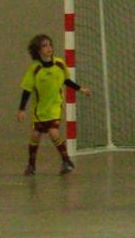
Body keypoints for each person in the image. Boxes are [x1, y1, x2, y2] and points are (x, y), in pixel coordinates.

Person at [17, 34, 90, 175]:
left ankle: (67, 161)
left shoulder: (60, 64)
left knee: (53, 133)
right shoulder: (34, 69)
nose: (49, 48)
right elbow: (26, 90)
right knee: (35, 136)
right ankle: (31, 165)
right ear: (38, 50)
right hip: (39, 111)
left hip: (55, 108)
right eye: (44, 46)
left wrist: (81, 89)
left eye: (50, 45)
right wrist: (21, 109)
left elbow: (66, 81)